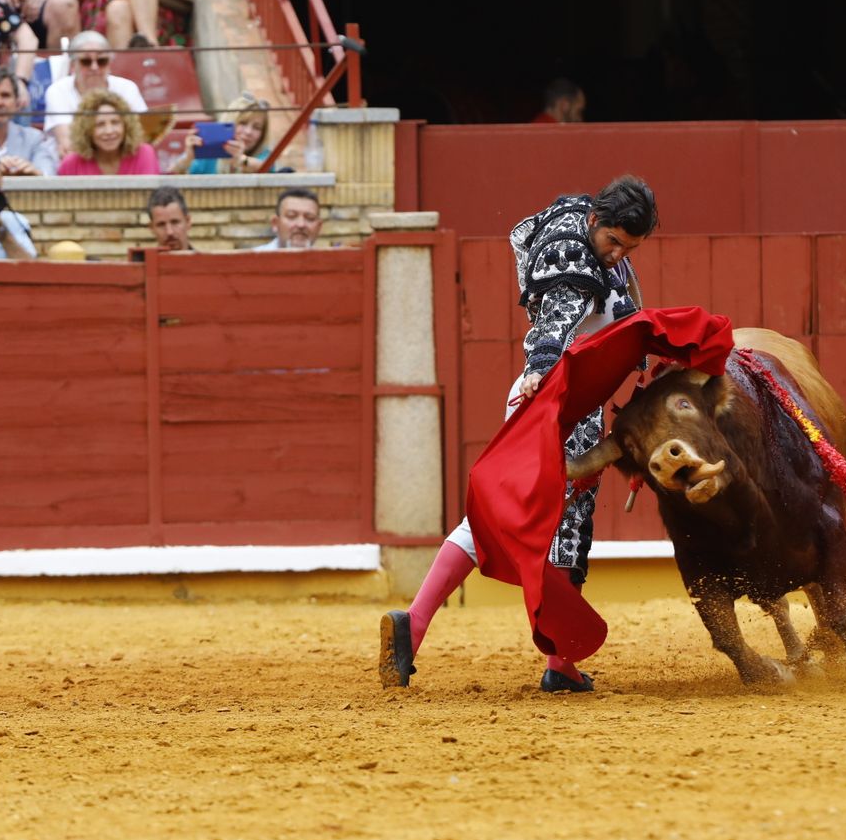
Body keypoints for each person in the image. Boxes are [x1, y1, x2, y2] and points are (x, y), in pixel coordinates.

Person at [379, 175, 660, 694]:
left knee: (501, 517)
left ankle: (416, 625)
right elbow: (556, 321)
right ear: (596, 222)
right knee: (564, 523)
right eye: (613, 242)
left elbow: (530, 234)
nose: (617, 255)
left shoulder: (577, 215)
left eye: (629, 248)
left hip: (556, 399)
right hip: (556, 401)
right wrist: (540, 369)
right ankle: (559, 663)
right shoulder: (575, 267)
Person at [41, 30, 145, 149]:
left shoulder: (127, 88)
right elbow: (67, 143)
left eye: (102, 61)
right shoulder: (58, 91)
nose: (94, 67)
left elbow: (140, 135)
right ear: (73, 65)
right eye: (86, 62)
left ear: (109, 64)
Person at [165, 92, 271, 175]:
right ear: (230, 121)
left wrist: (241, 160)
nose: (248, 132)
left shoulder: (264, 154)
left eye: (257, 128)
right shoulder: (209, 152)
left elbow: (267, 167)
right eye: (242, 123)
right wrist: (188, 158)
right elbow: (169, 176)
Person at [57, 88, 156, 175]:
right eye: (100, 124)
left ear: (126, 125)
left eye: (115, 122)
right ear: (86, 130)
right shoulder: (72, 163)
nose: (109, 131)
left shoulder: (144, 154)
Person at [254, 187, 321, 250]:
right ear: (275, 223)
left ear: (319, 227)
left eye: (310, 218)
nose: (301, 224)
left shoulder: (327, 261)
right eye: (291, 216)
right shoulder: (252, 260)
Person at [146, 185, 190, 251]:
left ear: (188, 222)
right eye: (161, 225)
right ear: (152, 228)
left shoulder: (207, 261)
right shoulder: (142, 261)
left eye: (175, 222)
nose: (170, 232)